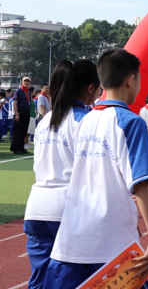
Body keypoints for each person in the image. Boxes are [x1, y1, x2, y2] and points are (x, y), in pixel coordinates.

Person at [44, 48, 148, 289]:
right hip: (112, 245)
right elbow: (139, 184)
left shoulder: (85, 120)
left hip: (71, 239)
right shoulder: (130, 122)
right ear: (131, 80)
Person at [24, 60, 100, 289]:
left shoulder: (45, 121)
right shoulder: (87, 120)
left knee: (40, 280)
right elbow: (95, 172)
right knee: (75, 280)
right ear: (90, 88)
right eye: (99, 88)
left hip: (37, 208)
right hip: (70, 210)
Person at [11, 77, 32, 154]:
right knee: (18, 131)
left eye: (28, 81)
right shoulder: (18, 91)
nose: (26, 83)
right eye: (24, 81)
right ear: (22, 82)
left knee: (24, 130)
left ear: (30, 82)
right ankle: (16, 148)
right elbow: (15, 103)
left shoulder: (28, 92)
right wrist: (16, 114)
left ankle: (21, 147)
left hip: (26, 112)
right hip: (20, 111)